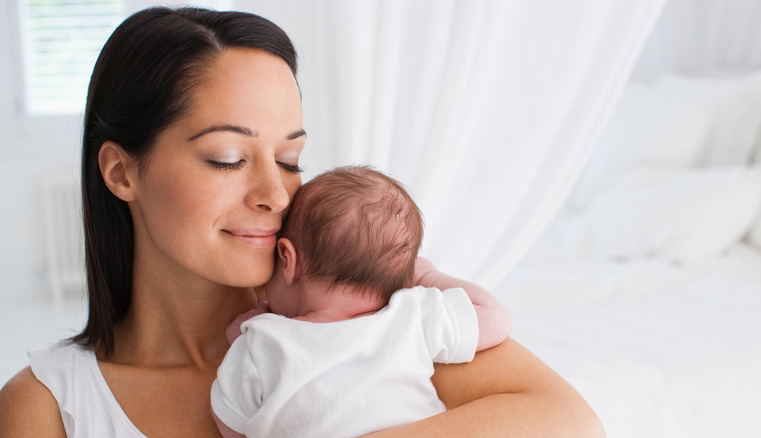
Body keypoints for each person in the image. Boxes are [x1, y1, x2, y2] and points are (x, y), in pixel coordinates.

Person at [0, 6, 605, 437]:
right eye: (228, 158)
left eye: (290, 160)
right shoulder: (48, 407)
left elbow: (572, 423)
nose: (277, 193)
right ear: (121, 172)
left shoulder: (367, 309)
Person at [212, 165, 513, 437]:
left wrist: (239, 341)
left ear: (287, 259)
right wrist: (428, 277)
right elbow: (495, 319)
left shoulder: (261, 341)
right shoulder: (410, 316)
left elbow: (230, 420)